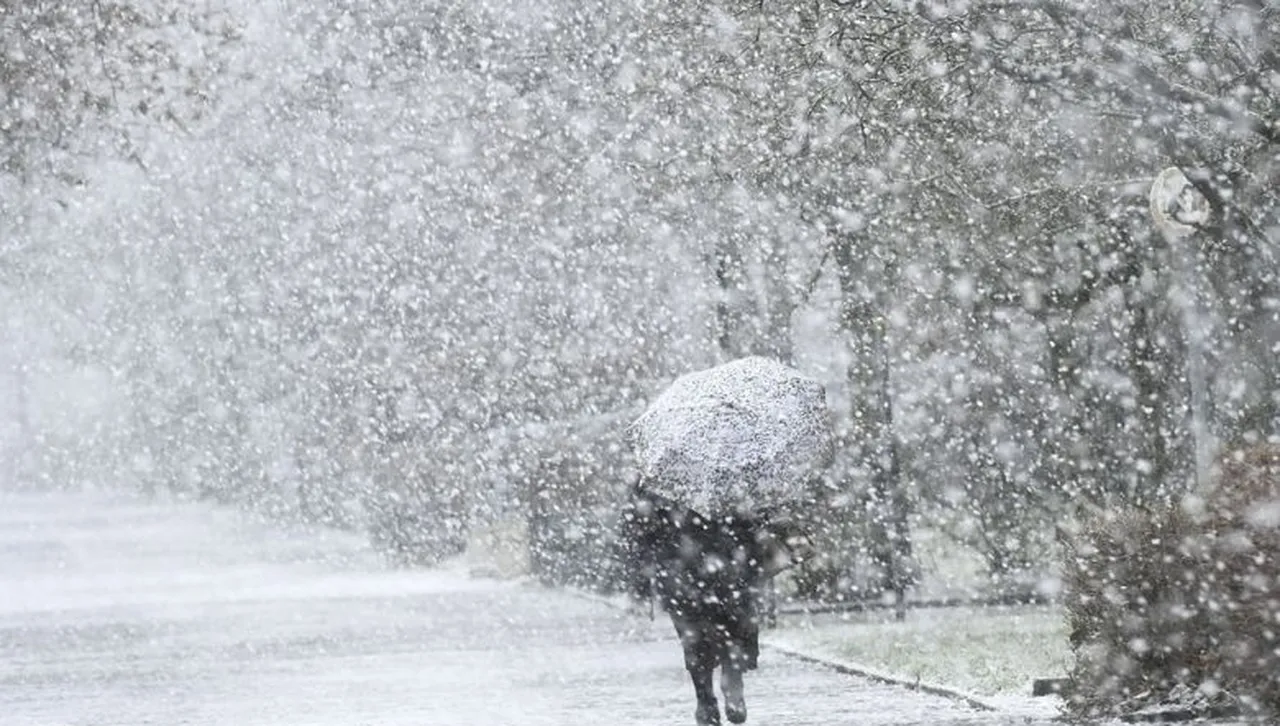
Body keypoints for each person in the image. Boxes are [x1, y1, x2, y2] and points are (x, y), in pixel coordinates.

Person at [619, 480, 787, 726]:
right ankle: (716, 690)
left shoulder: (659, 477)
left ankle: (717, 691)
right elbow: (641, 531)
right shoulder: (661, 480)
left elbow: (640, 531)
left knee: (711, 634)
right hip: (699, 571)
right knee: (714, 632)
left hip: (707, 571)